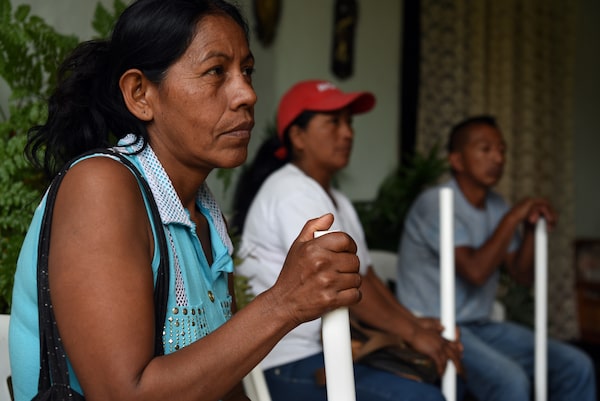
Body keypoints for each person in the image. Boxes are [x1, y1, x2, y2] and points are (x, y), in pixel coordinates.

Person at [8, 2, 363, 401]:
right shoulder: (99, 186)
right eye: (216, 71)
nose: (247, 94)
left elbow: (223, 385)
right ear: (140, 94)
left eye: (246, 71)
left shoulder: (205, 216)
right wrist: (285, 302)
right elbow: (122, 395)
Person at [232, 79, 464, 401]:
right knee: (423, 398)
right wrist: (412, 332)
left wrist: (415, 324)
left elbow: (367, 278)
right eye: (333, 122)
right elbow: (344, 282)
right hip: (289, 362)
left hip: (334, 349)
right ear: (298, 137)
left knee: (449, 378)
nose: (347, 133)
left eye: (349, 122)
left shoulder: (336, 199)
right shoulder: (291, 191)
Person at [396, 115, 597, 401]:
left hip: (482, 325)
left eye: (502, 150)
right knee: (510, 381)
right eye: (485, 149)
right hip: (436, 326)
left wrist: (529, 230)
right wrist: (513, 217)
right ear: (457, 160)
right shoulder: (436, 202)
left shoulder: (497, 205)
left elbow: (521, 275)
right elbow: (475, 271)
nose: (498, 158)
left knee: (576, 365)